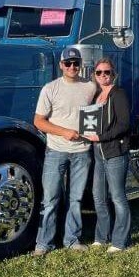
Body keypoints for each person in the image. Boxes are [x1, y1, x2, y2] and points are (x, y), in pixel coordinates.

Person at [33, 47, 97, 256]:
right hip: (56, 150)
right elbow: (39, 122)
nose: (72, 67)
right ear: (61, 65)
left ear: (80, 65)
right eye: (68, 63)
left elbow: (101, 101)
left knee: (76, 199)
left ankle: (72, 240)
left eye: (76, 63)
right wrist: (64, 132)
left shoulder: (89, 87)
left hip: (82, 151)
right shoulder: (50, 89)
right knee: (50, 199)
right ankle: (44, 244)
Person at [84, 57, 131, 253]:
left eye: (107, 72)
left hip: (115, 153)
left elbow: (124, 124)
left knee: (118, 197)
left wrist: (101, 137)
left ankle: (120, 241)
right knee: (98, 196)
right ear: (94, 75)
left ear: (114, 75)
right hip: (98, 154)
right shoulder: (95, 96)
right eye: (99, 73)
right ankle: (101, 237)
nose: (103, 76)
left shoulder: (118, 94)